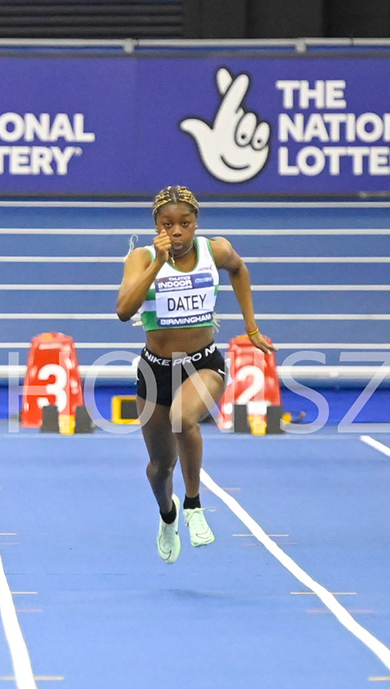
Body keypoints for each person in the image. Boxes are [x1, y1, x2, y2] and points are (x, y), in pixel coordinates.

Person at [116, 186, 271, 564]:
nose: (178, 232)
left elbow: (240, 269)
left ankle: (193, 505)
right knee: (159, 468)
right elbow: (123, 310)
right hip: (156, 371)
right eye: (168, 225)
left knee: (183, 419)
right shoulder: (142, 258)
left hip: (203, 362)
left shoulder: (214, 250)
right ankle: (167, 515)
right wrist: (157, 263)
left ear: (196, 223)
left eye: (185, 223)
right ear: (156, 226)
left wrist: (251, 329)